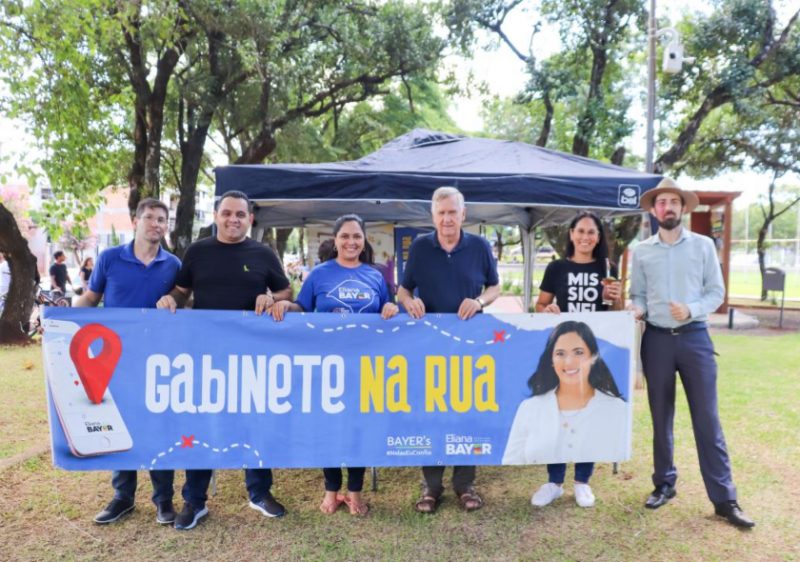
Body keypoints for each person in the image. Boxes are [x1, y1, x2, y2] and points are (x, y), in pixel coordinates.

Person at [157, 190, 292, 531]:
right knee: (203, 424)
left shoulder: (264, 253)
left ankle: (259, 492)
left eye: (240, 214)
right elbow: (182, 290)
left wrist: (271, 298)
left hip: (251, 356)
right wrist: (169, 300)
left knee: (253, 422)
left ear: (250, 219)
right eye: (227, 213)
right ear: (216, 215)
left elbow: (285, 292)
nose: (234, 219)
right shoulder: (197, 251)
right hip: (206, 356)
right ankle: (195, 500)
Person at [629, 178, 754, 528]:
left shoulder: (703, 246)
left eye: (673, 201)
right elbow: (638, 294)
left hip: (695, 339)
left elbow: (716, 292)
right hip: (656, 341)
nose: (667, 207)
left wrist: (692, 309)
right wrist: (636, 307)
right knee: (660, 417)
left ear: (683, 208)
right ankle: (664, 484)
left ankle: (725, 499)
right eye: (661, 202)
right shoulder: (642, 251)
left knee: (707, 419)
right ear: (654, 210)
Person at [272, 214, 399, 516]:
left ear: (364, 241)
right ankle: (331, 490)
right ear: (336, 240)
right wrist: (285, 305)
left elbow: (388, 309)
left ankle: (355, 492)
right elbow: (302, 308)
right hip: (327, 366)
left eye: (356, 236)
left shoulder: (375, 276)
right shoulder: (320, 274)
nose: (351, 242)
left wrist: (391, 306)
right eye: (345, 236)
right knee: (328, 428)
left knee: (358, 429)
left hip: (365, 367)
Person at [74, 198, 181, 526]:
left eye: (161, 219)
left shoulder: (174, 265)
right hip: (115, 360)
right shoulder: (109, 258)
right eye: (149, 217)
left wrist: (175, 301)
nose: (155, 224)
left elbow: (184, 305)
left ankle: (163, 499)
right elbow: (90, 299)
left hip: (158, 360)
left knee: (158, 426)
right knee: (119, 424)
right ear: (135, 221)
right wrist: (56, 316)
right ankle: (123, 497)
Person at [397, 186, 500, 514]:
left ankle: (464, 485)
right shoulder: (420, 247)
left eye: (452, 212)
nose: (447, 219)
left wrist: (480, 301)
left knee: (467, 412)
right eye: (441, 213)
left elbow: (495, 287)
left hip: (470, 347)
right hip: (430, 346)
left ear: (463, 214)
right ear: (433, 217)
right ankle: (431, 486)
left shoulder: (480, 247)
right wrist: (409, 302)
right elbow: (403, 290)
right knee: (431, 412)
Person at [530, 211, 623, 508]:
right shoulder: (557, 268)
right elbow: (540, 304)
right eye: (580, 231)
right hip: (565, 353)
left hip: (594, 353)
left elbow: (616, 312)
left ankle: (583, 482)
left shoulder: (607, 267)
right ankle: (554, 482)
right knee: (558, 412)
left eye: (591, 232)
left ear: (598, 237)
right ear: (571, 234)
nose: (585, 237)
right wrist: (547, 310)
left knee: (589, 414)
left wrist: (616, 297)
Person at [502, 321, 627, 507]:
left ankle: (582, 483)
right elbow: (512, 456)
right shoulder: (530, 408)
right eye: (560, 353)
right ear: (551, 360)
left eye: (578, 352)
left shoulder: (616, 409)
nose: (569, 362)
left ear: (593, 356)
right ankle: (554, 484)